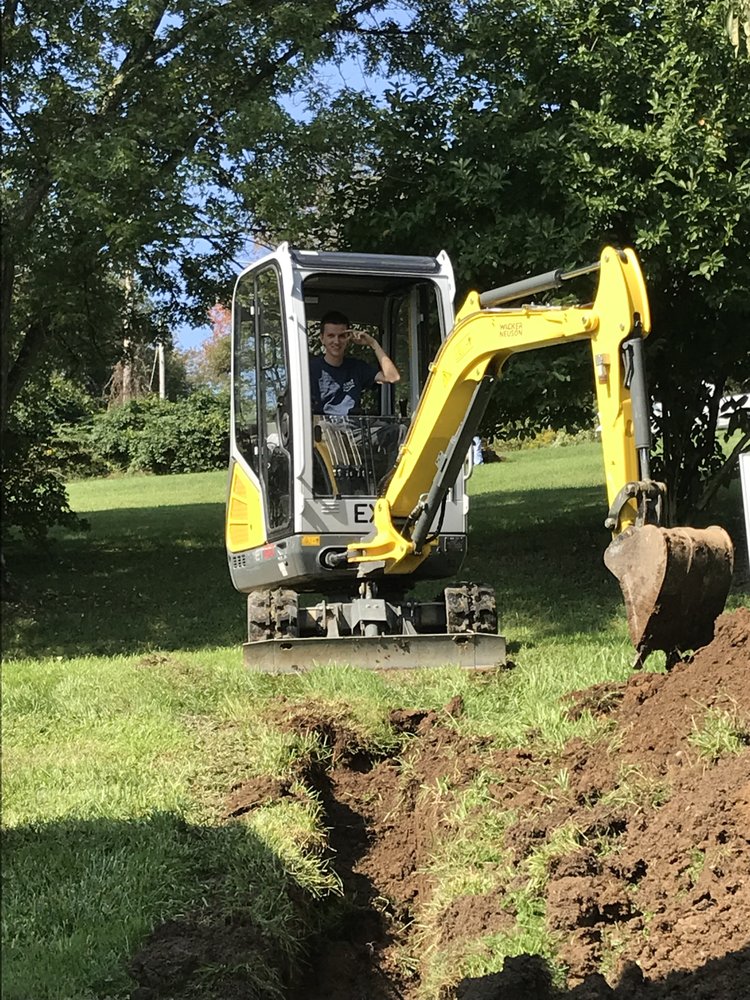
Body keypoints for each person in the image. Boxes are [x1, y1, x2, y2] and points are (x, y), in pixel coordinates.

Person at [310, 311, 400, 416]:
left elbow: (393, 377)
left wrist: (373, 343)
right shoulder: (311, 369)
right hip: (324, 429)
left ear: (349, 337)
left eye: (342, 336)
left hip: (354, 429)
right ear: (322, 338)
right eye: (331, 336)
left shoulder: (357, 367)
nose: (336, 341)